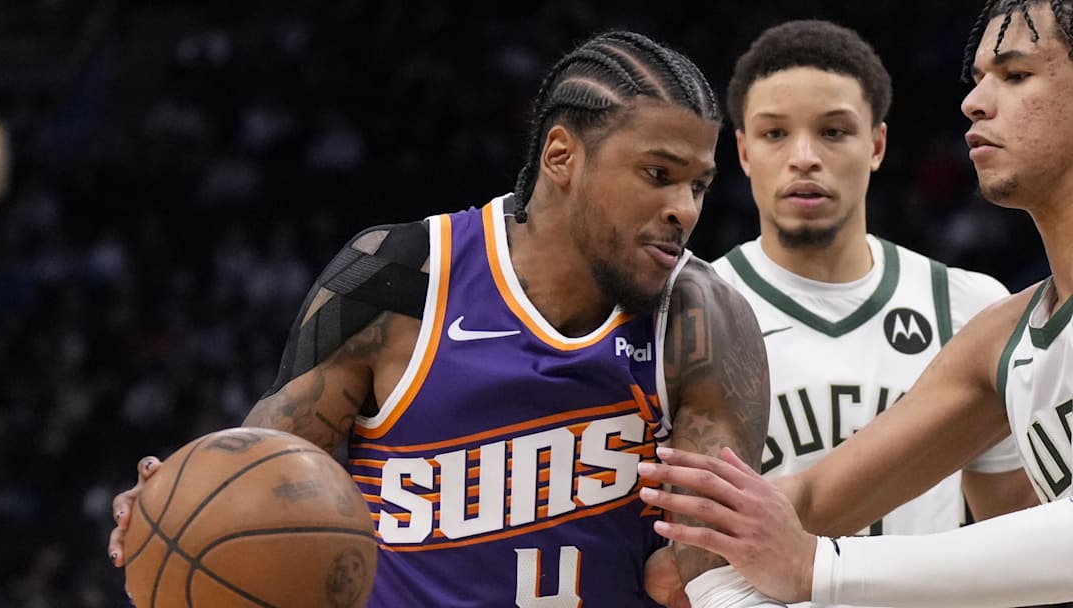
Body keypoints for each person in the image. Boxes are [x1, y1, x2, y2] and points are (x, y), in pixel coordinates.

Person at [108, 31, 777, 607]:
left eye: (698, 185)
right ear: (562, 157)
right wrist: (178, 512)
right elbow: (267, 478)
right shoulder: (399, 278)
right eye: (657, 173)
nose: (684, 209)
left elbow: (688, 577)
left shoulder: (702, 318)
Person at [638, 2, 1073, 607]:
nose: (974, 102)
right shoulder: (1002, 338)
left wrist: (824, 569)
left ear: (876, 144)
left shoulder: (963, 301)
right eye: (978, 79)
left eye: (1016, 74)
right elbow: (814, 501)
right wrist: (697, 562)